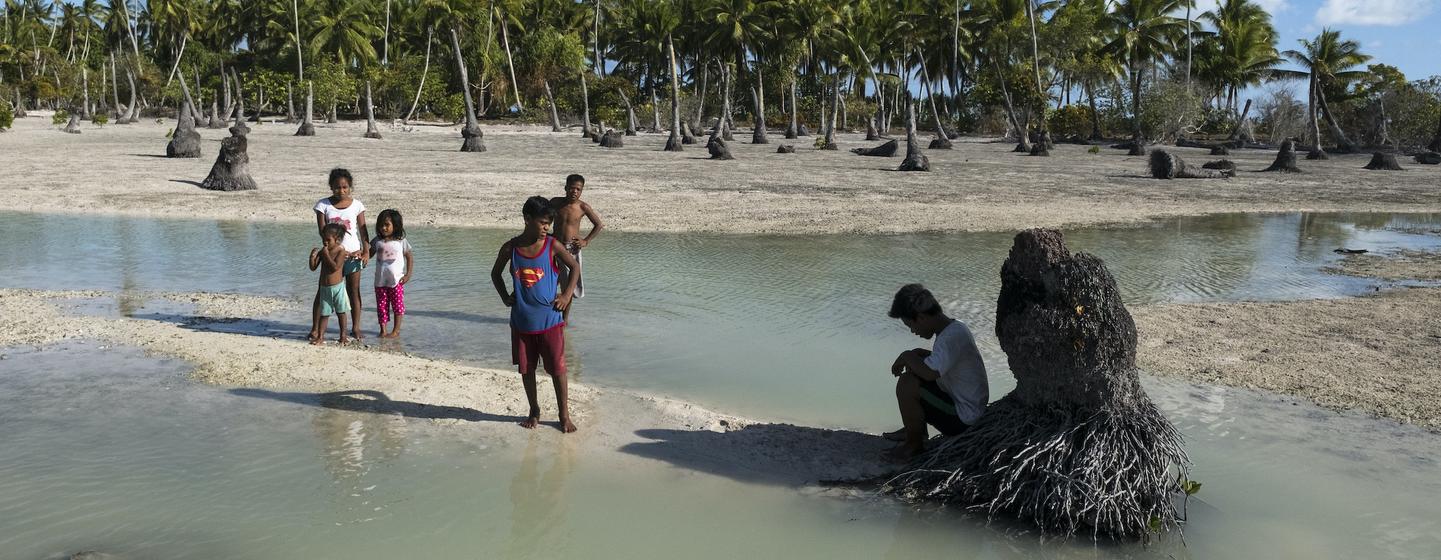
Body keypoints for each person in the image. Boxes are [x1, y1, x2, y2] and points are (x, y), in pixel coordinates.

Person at [491, 196, 582, 433]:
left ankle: (564, 415)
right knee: (527, 370)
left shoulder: (552, 246)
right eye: (542, 222)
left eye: (549, 223)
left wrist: (566, 295)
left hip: (551, 321)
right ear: (527, 219)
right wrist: (504, 297)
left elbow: (574, 267)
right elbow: (495, 274)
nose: (546, 228)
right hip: (521, 324)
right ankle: (534, 410)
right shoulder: (511, 248)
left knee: (558, 369)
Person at [883, 284, 989, 461]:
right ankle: (914, 429)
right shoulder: (955, 328)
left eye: (910, 325)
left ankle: (914, 446)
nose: (912, 331)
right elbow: (946, 362)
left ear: (922, 318)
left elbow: (929, 374)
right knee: (915, 368)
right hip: (965, 405)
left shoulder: (949, 337)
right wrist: (919, 355)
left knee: (907, 383)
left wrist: (906, 355)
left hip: (964, 417)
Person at [313, 168, 369, 342]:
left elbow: (362, 230)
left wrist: (366, 252)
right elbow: (323, 232)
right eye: (337, 187)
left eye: (345, 187)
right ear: (331, 187)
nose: (341, 191)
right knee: (323, 291)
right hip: (331, 257)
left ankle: (355, 327)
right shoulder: (323, 206)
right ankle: (315, 329)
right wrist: (331, 252)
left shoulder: (357, 205)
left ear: (350, 187)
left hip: (353, 256)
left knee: (354, 291)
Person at [548, 174, 604, 321]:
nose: (575, 192)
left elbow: (598, 225)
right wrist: (546, 234)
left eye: (578, 189)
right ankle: (548, 315)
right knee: (549, 281)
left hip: (570, 250)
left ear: (582, 191)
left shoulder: (582, 207)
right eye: (572, 188)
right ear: (565, 188)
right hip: (554, 247)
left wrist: (586, 241)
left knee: (568, 288)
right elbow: (543, 215)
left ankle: (564, 320)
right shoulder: (555, 203)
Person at [370, 209, 414, 338]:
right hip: (380, 281)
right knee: (381, 306)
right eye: (381, 225)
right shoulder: (377, 241)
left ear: (395, 225)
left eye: (387, 225)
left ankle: (396, 331)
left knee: (397, 306)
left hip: (396, 281)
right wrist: (360, 256)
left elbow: (409, 257)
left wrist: (408, 274)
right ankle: (383, 331)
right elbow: (369, 254)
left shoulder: (401, 241)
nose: (383, 228)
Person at [308, 223, 352, 345]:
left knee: (341, 312)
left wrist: (325, 254)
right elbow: (313, 267)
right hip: (324, 288)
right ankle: (320, 337)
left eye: (328, 240)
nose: (325, 242)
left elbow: (335, 267)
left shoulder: (341, 251)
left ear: (337, 240)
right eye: (323, 239)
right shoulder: (323, 251)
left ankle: (343, 336)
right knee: (324, 313)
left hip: (337, 287)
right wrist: (312, 256)